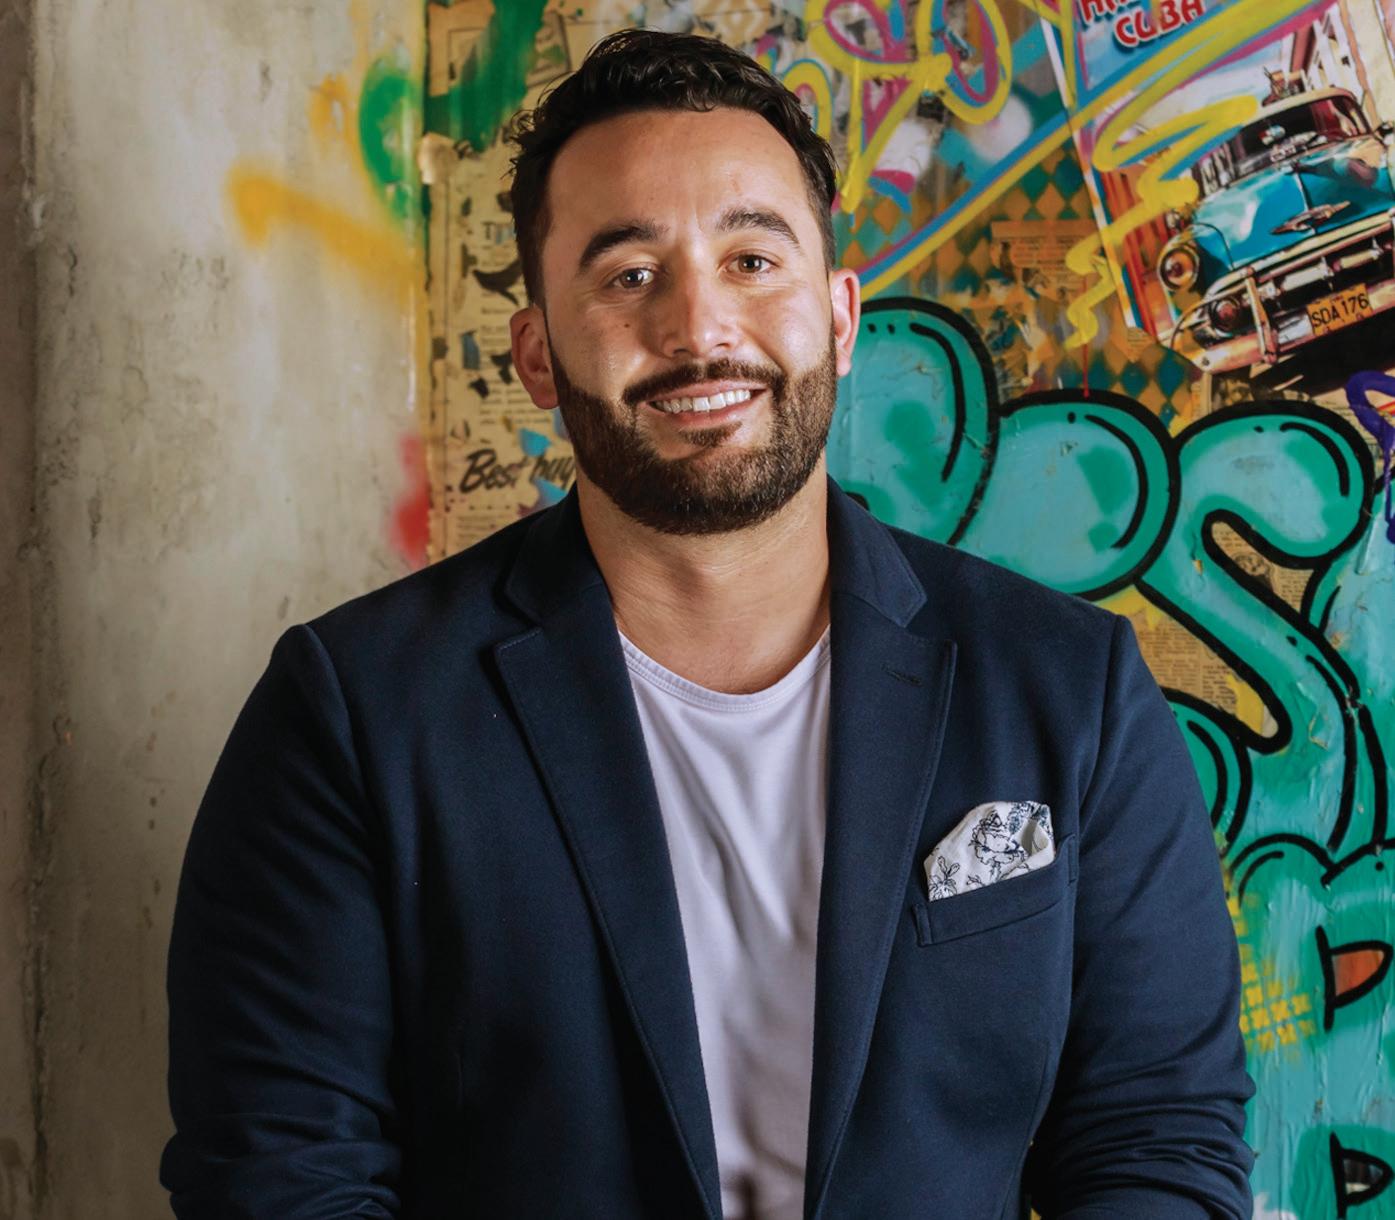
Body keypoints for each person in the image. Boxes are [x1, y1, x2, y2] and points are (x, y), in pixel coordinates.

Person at [161, 28, 1255, 1219]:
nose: (698, 326)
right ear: (537, 353)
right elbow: (281, 1179)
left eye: (751, 258)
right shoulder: (352, 712)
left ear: (839, 316)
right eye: (630, 274)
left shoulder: (1067, 688)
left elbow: (1159, 1140)